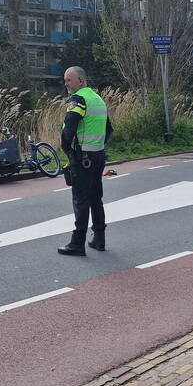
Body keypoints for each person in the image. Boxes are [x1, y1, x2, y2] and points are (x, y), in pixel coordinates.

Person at [57, 66, 113, 256]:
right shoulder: (98, 99)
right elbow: (109, 129)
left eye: (69, 80)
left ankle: (77, 243)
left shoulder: (78, 99)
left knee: (80, 200)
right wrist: (99, 146)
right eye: (65, 80)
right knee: (96, 198)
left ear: (80, 80)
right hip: (98, 155)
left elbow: (69, 127)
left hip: (82, 158)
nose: (66, 84)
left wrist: (68, 151)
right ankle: (99, 239)